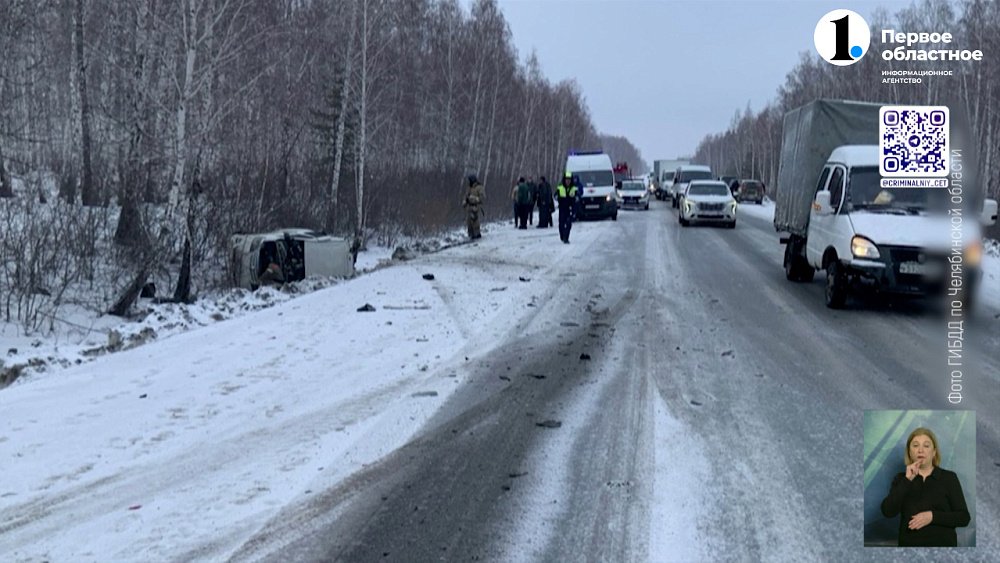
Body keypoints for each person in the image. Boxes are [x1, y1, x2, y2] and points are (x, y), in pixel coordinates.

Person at [880, 427, 970, 547]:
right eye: (915, 446)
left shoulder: (949, 478)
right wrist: (907, 480)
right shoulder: (901, 479)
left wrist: (932, 516)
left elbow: (964, 518)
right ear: (909, 452)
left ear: (934, 452)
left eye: (926, 446)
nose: (920, 450)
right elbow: (888, 512)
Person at [556, 172, 578, 243]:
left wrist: (577, 198)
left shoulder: (574, 188)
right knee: (561, 224)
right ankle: (562, 236)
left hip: (570, 208)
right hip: (562, 208)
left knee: (568, 224)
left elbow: (578, 196)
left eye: (569, 180)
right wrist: (557, 197)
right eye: (566, 179)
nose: (568, 181)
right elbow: (556, 195)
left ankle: (566, 238)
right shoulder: (560, 187)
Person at [463, 174, 486, 239]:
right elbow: (466, 196)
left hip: (476, 206)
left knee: (475, 220)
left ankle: (477, 234)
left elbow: (482, 198)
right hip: (469, 206)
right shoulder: (469, 188)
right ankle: (471, 234)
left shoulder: (479, 187)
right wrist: (465, 201)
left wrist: (473, 199)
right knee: (469, 221)